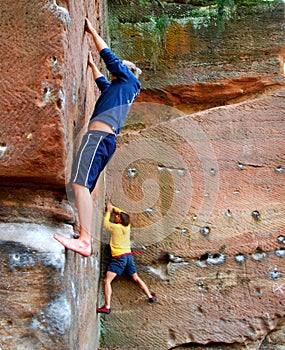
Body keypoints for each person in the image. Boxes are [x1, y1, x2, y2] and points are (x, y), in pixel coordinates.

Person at [54, 18, 142, 257]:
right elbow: (103, 83)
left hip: (99, 138)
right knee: (84, 184)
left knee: (80, 183)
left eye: (120, 69)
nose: (113, 72)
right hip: (104, 139)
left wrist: (92, 31)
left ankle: (84, 240)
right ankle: (81, 231)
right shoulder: (120, 90)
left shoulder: (129, 80)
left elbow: (110, 59)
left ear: (126, 72)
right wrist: (92, 65)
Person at [96, 203, 157, 314]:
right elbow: (126, 215)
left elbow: (105, 224)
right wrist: (114, 208)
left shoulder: (116, 227)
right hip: (128, 257)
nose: (117, 216)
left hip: (119, 258)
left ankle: (107, 306)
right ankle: (150, 296)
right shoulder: (127, 226)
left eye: (118, 216)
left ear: (120, 221)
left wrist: (109, 212)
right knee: (136, 278)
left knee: (107, 281)